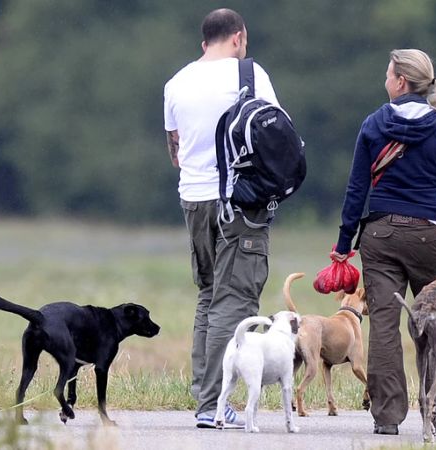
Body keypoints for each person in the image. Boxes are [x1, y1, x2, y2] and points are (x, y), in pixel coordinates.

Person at [331, 49, 436, 435]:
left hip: (379, 237)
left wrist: (344, 241)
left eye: (388, 74)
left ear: (401, 82)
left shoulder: (372, 124)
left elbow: (357, 189)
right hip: (429, 237)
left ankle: (387, 418)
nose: (385, 80)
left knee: (383, 325)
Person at [163, 8, 280, 429]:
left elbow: (175, 150)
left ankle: (204, 394)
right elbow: (275, 135)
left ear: (202, 42)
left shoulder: (176, 83)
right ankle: (214, 404)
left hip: (193, 200)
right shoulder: (250, 75)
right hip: (239, 203)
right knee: (236, 302)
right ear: (238, 36)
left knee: (208, 295)